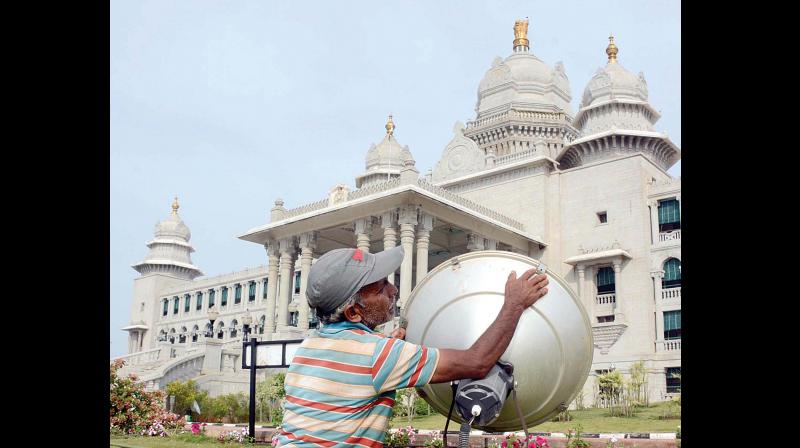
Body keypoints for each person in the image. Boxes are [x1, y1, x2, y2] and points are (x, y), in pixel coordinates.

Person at [275, 246, 549, 447]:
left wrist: (389, 348)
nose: (393, 291)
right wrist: (514, 304)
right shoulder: (379, 355)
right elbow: (477, 362)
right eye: (381, 287)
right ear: (354, 312)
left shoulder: (308, 347)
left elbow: (356, 368)